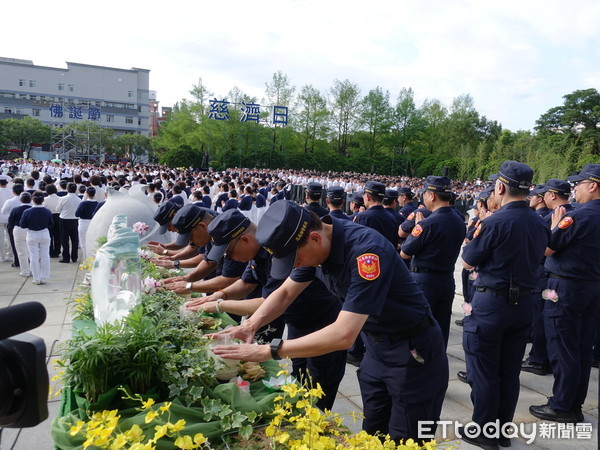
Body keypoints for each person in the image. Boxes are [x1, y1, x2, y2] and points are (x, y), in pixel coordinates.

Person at [211, 200, 448, 442]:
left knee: (408, 438)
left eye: (296, 259)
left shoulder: (366, 252)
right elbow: (284, 293)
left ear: (315, 238)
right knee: (373, 434)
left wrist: (270, 350)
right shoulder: (314, 249)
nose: (296, 265)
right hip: (377, 348)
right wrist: (250, 325)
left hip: (413, 352)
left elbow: (344, 334)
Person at [186, 208, 345, 410]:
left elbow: (269, 299)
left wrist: (219, 304)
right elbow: (248, 282)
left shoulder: (278, 251)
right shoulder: (257, 252)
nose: (231, 258)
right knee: (298, 377)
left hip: (323, 323)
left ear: (244, 240)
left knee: (319, 383)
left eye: (229, 252)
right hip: (296, 321)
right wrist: (221, 295)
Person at [459, 161, 549, 448]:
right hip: (524, 304)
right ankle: (501, 431)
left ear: (500, 187)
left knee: (485, 371)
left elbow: (468, 260)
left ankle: (484, 432)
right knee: (509, 372)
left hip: (491, 304)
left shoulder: (494, 222)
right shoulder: (539, 221)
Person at [530, 164, 600, 423]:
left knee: (563, 346)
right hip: (592, 287)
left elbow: (547, 248)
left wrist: (555, 226)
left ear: (592, 185)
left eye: (579, 184)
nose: (575, 190)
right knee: (582, 348)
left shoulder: (579, 215)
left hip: (566, 288)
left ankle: (561, 405)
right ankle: (574, 404)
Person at [400, 176, 466, 347]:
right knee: (441, 326)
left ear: (432, 195)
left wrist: (417, 227)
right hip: (446, 279)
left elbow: (405, 253)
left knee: (420, 326)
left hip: (425, 281)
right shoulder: (459, 220)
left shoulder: (428, 223)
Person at [19, 191, 53, 285]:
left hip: (32, 234)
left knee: (33, 256)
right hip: (44, 233)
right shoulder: (47, 211)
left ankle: (36, 278)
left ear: (32, 199)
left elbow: (22, 225)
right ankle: (44, 276)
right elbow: (51, 224)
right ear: (43, 200)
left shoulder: (27, 211)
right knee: (45, 255)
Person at [9, 192, 32, 278]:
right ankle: (33, 269)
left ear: (20, 200)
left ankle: (25, 271)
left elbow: (10, 222)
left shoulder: (15, 210)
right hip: (31, 230)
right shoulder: (32, 208)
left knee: (21, 251)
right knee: (32, 251)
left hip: (19, 230)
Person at [75, 186, 98, 261]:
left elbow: (77, 214)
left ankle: (86, 259)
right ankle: (92, 258)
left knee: (83, 242)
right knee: (93, 241)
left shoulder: (83, 203)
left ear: (87, 193)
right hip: (93, 222)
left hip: (84, 223)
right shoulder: (97, 203)